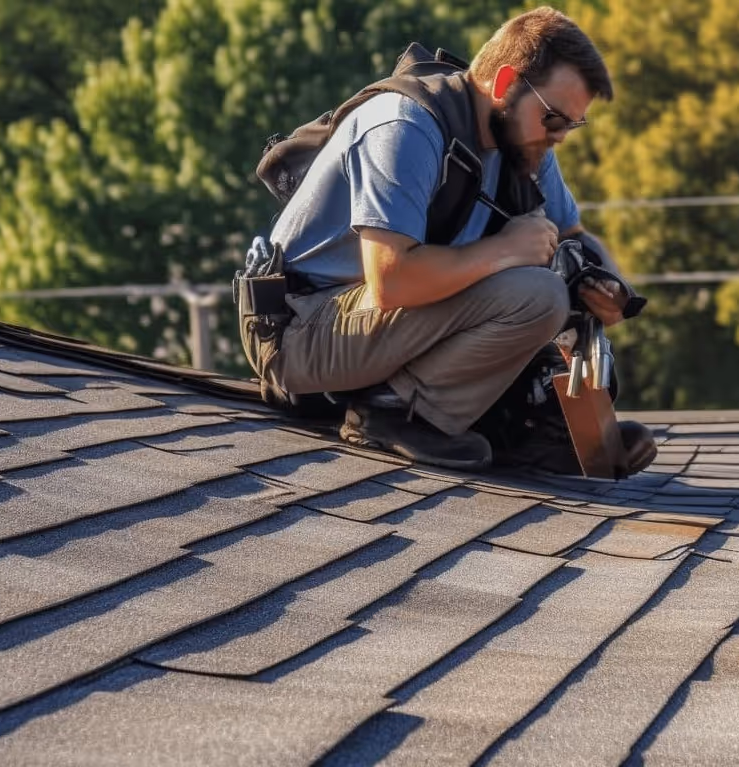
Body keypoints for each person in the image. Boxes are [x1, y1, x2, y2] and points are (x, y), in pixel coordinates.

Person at [243, 7, 656, 475]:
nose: (559, 136)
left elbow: (575, 235)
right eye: (554, 118)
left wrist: (608, 286)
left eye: (571, 125)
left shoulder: (524, 143)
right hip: (301, 333)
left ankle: (517, 432)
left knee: (552, 287)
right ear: (504, 86)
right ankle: (392, 411)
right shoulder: (406, 124)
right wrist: (505, 251)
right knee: (537, 293)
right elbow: (391, 283)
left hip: (379, 326)